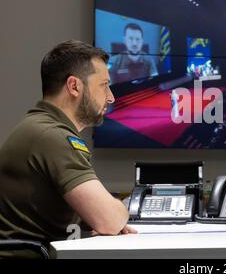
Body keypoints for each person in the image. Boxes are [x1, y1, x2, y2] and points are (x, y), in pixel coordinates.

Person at [0, 40, 136, 258]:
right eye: (103, 85)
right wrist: (119, 210)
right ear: (74, 86)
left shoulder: (41, 128)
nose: (111, 97)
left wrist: (95, 216)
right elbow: (109, 220)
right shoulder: (53, 136)